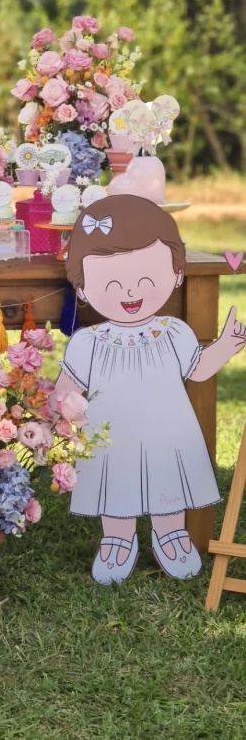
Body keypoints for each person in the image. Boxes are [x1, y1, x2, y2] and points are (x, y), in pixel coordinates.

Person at [58, 195, 245, 584]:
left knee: (166, 479)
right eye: (111, 283)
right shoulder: (87, 342)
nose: (130, 293)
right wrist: (68, 404)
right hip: (113, 434)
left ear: (177, 273)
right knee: (116, 479)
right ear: (84, 289)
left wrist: (227, 344)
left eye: (146, 279)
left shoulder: (175, 332)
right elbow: (65, 388)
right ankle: (118, 538)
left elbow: (197, 370)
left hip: (166, 432)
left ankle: (170, 532)